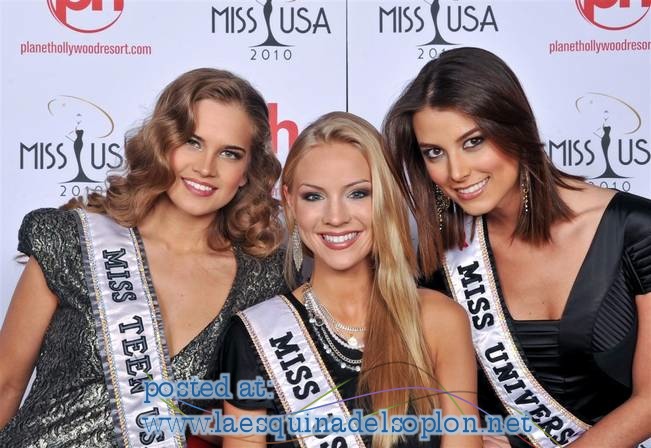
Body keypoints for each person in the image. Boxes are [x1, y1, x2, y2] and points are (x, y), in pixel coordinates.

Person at [0, 68, 289, 447]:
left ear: (247, 171)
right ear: (162, 144)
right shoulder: (72, 239)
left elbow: (247, 424)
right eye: (192, 142)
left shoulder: (260, 281)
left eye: (229, 153)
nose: (206, 167)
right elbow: (6, 384)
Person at [383, 46, 651, 447]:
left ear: (515, 128)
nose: (456, 172)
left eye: (473, 141)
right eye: (434, 153)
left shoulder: (637, 230)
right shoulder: (440, 257)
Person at [219, 112, 481, 448]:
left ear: (385, 198)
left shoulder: (440, 322)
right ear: (290, 203)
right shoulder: (255, 335)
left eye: (358, 194)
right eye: (314, 196)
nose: (336, 217)